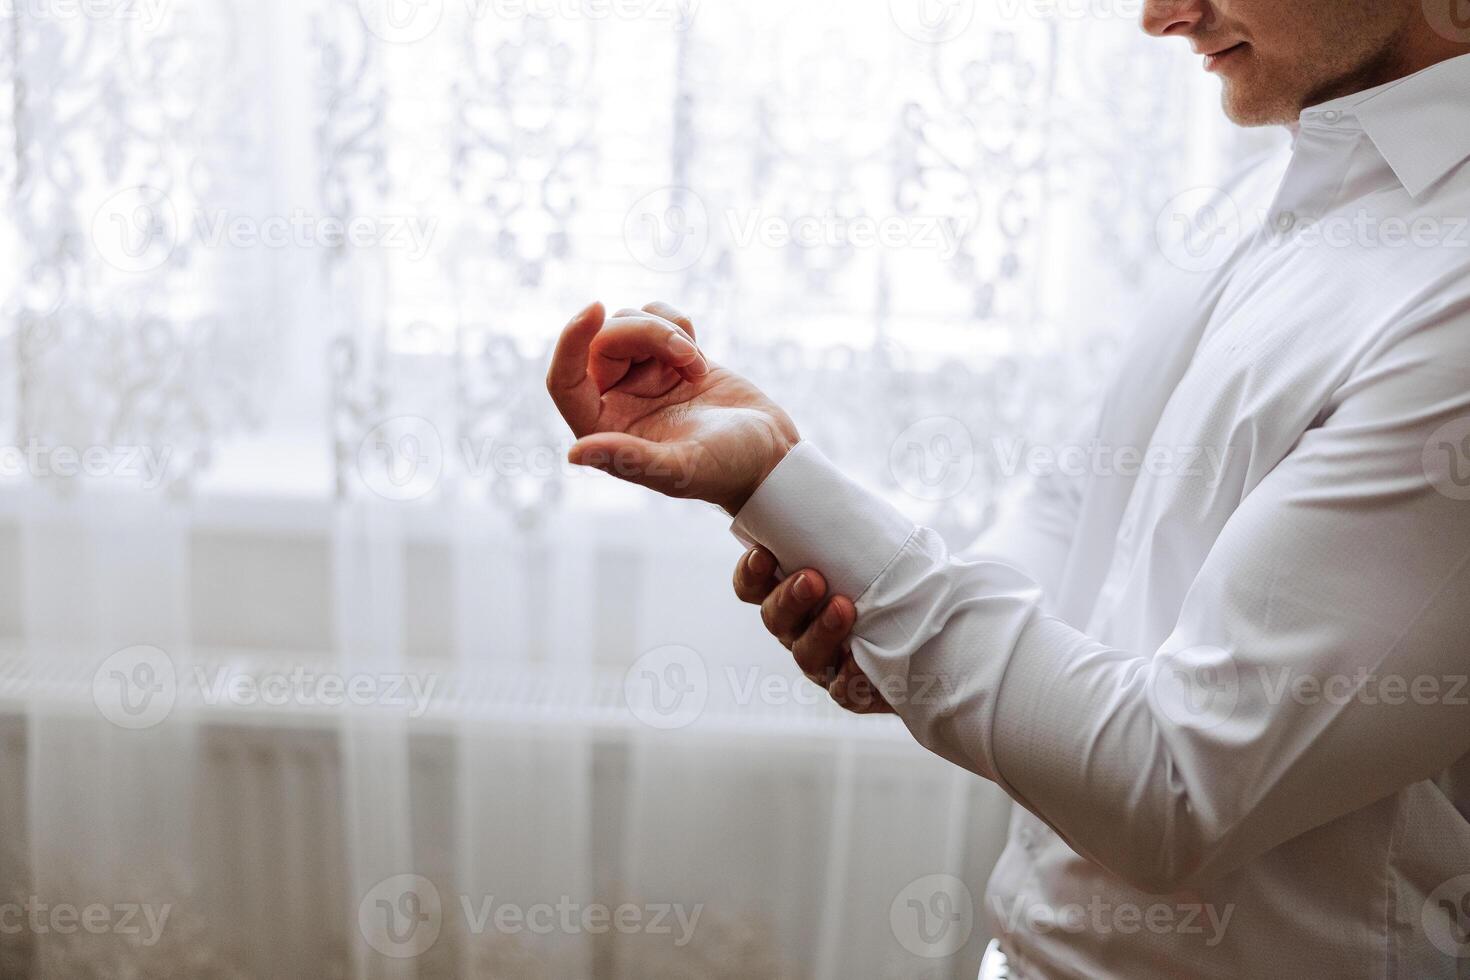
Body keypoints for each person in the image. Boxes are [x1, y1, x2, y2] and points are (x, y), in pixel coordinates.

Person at [548, 2, 1470, 975]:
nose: (1161, 16)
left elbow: (1176, 785)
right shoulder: (1264, 190)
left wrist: (787, 483)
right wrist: (894, 643)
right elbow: (1081, 514)